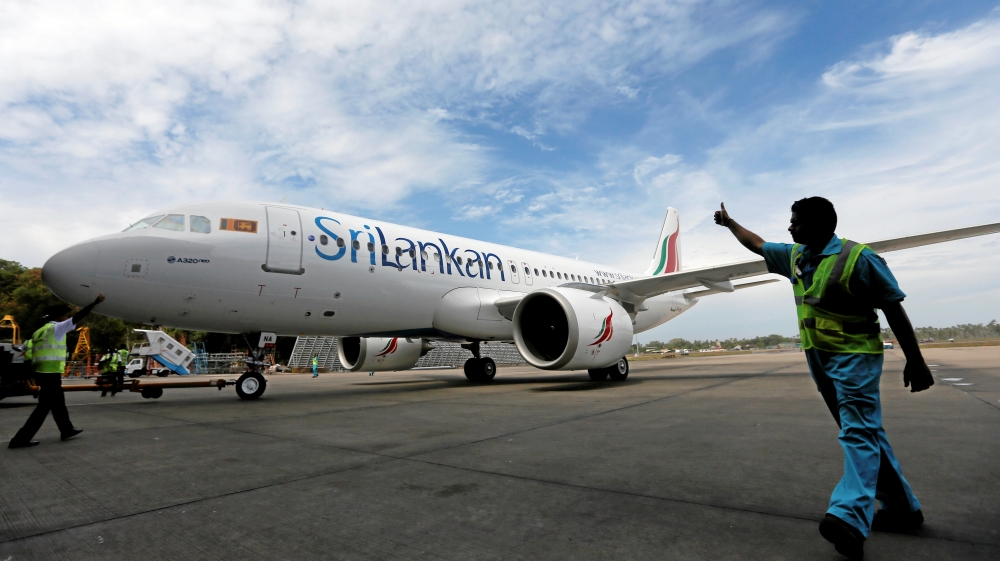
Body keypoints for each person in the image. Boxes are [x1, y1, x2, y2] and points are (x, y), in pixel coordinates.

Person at [714, 199, 932, 560]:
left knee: (857, 433)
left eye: (796, 223)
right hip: (819, 357)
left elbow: (893, 305)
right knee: (865, 432)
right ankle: (902, 509)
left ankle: (848, 517)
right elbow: (756, 243)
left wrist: (916, 360)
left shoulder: (859, 258)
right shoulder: (797, 255)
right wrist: (730, 223)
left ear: (820, 225)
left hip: (855, 358)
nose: (790, 228)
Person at [9, 293, 106, 449]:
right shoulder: (57, 328)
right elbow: (79, 316)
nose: (67, 317)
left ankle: (66, 429)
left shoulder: (39, 331)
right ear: (61, 317)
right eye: (65, 315)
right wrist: (95, 302)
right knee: (44, 407)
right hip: (50, 372)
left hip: (41, 372)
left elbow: (23, 346)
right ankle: (20, 439)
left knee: (58, 402)